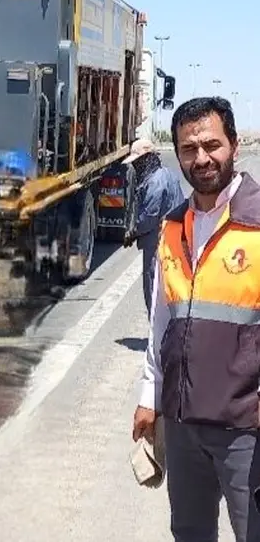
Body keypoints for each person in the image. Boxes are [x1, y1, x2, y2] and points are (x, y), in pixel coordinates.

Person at [132, 96, 260, 542]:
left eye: (211, 144)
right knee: (189, 533)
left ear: (234, 145)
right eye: (189, 148)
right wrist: (150, 396)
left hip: (246, 427)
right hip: (183, 423)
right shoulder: (173, 226)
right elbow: (160, 324)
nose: (201, 158)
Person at [121, 137, 186, 315]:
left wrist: (132, 232)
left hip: (157, 243)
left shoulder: (154, 183)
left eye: (138, 161)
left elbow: (148, 218)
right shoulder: (168, 174)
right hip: (174, 241)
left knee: (153, 289)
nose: (135, 166)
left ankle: (156, 337)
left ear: (147, 158)